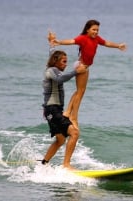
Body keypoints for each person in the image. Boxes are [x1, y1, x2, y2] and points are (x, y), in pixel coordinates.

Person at [51, 19, 127, 129]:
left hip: (85, 67)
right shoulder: (83, 38)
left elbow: (106, 43)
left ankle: (67, 112)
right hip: (81, 66)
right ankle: (73, 117)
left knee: (79, 91)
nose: (96, 32)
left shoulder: (97, 39)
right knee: (80, 92)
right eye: (93, 29)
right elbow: (72, 41)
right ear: (87, 30)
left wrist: (118, 46)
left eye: (97, 30)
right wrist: (59, 42)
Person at [41, 32, 87, 170]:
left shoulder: (54, 67)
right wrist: (76, 71)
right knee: (74, 133)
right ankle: (66, 164)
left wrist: (51, 44)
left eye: (67, 62)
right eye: (64, 62)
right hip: (52, 109)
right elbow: (60, 79)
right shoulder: (51, 71)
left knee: (60, 140)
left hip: (52, 110)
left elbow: (52, 54)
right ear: (56, 62)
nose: (66, 64)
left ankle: (44, 164)